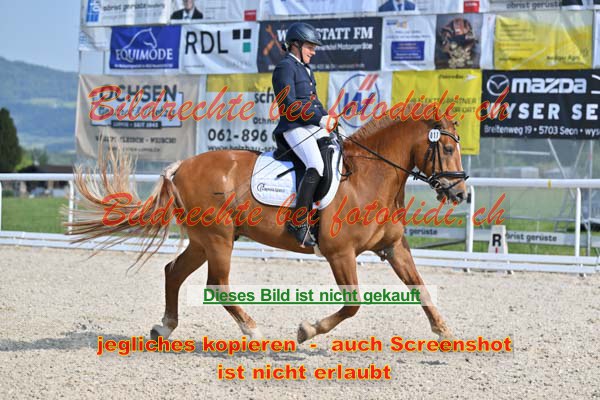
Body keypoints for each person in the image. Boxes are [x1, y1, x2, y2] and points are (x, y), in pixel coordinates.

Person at [272, 22, 341, 247]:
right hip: (293, 127)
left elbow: (314, 103)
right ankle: (299, 221)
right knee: (316, 165)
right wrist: (319, 120)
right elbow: (289, 105)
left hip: (310, 125)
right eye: (310, 47)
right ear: (295, 45)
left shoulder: (305, 69)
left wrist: (330, 121)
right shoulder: (285, 68)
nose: (313, 52)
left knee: (337, 151)